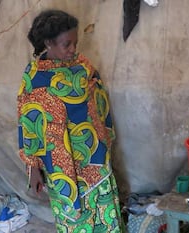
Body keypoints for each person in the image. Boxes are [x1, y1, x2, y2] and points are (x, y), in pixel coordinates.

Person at [17, 9, 125, 233]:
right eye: (67, 44)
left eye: (75, 43)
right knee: (73, 219)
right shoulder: (34, 78)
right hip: (59, 164)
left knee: (104, 213)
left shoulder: (82, 66)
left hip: (93, 155)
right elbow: (28, 124)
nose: (73, 50)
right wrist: (33, 167)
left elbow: (98, 98)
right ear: (48, 43)